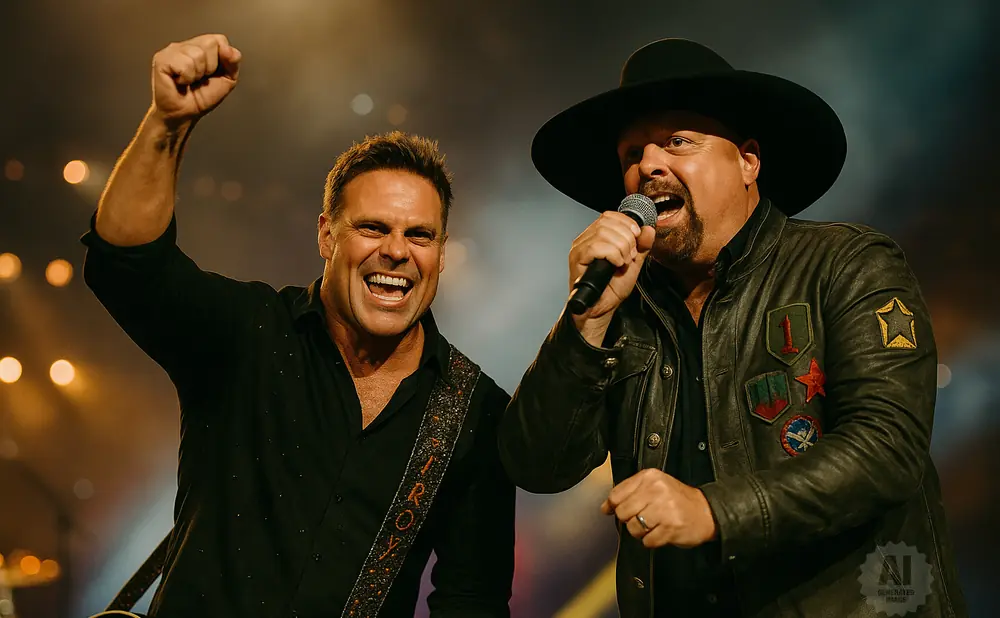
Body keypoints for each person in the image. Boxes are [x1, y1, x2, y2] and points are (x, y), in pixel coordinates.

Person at [498, 38, 967, 617]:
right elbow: (537, 466)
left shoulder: (847, 264)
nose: (648, 165)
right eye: (631, 153)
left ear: (748, 161)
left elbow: (886, 448)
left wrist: (713, 510)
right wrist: (585, 324)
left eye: (678, 141)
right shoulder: (620, 310)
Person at [82, 33, 514, 617]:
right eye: (372, 228)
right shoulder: (249, 333)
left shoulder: (477, 411)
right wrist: (167, 123)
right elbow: (126, 266)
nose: (396, 251)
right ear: (325, 236)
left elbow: (472, 600)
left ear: (440, 251)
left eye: (419, 235)